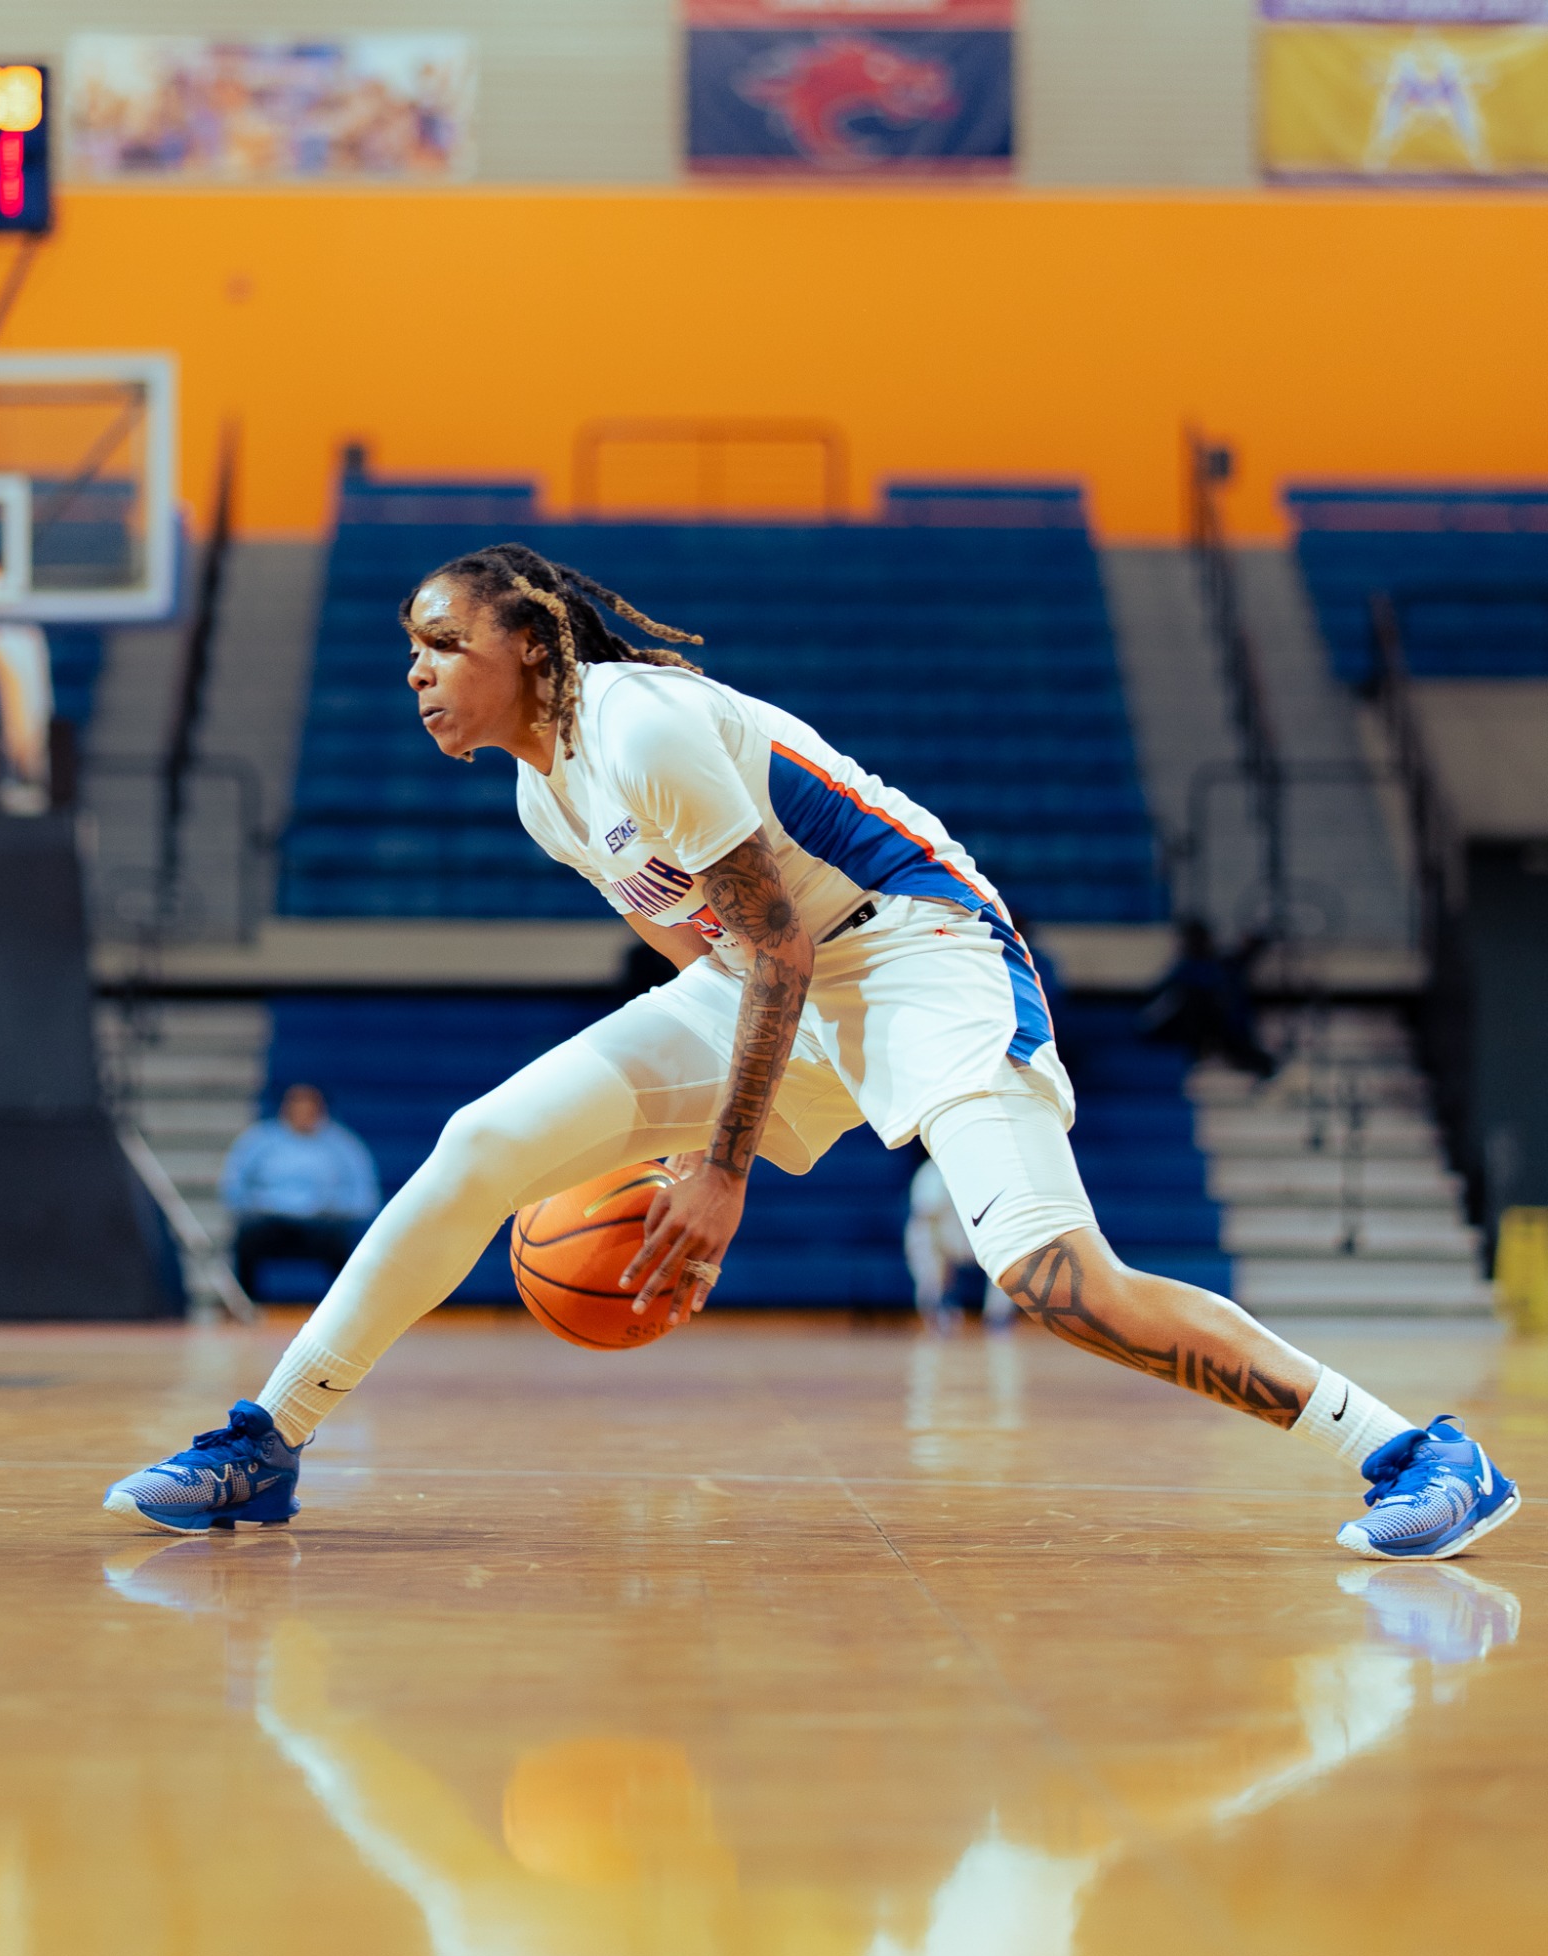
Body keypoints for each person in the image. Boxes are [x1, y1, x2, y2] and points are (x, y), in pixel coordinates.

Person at [104, 543, 1519, 1562]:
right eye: (408, 653)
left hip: (916, 952)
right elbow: (714, 961)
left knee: (1051, 1280)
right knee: (481, 1144)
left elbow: (780, 945)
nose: (414, 675)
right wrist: (677, 1138)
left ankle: (1407, 1451)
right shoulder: (549, 799)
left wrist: (719, 1174)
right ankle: (263, 1443)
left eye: (439, 647)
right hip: (773, 971)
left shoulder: (642, 722)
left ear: (529, 649)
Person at [220, 1084, 381, 1299]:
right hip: (271, 1221)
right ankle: (245, 1306)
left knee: (341, 1242)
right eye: (296, 1106)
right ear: (284, 1109)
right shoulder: (259, 1140)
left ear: (321, 1109)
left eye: (309, 1107)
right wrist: (257, 1205)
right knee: (247, 1236)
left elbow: (364, 1196)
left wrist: (333, 1208)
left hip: (321, 1224)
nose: (302, 1114)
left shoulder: (343, 1145)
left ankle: (344, 1305)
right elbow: (234, 1185)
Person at [1140, 919, 1276, 1078]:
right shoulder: (1187, 971)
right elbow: (1151, 1013)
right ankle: (1202, 1056)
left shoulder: (1223, 966)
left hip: (1229, 1034)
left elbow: (1245, 956)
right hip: (1205, 1034)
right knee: (1197, 999)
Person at [905, 1156, 1015, 1333]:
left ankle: (998, 1316)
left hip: (986, 1238)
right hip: (944, 1238)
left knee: (1012, 1244)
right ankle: (937, 1308)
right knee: (920, 1235)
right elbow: (925, 1214)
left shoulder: (993, 1167)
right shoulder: (932, 1171)